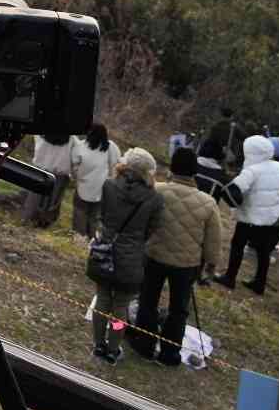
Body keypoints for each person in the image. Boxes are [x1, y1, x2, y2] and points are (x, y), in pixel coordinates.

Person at [129, 147, 223, 366]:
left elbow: (141, 221)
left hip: (154, 255)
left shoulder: (157, 190)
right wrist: (210, 265)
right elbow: (213, 240)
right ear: (194, 172)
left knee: (147, 301)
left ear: (172, 166)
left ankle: (145, 345)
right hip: (187, 263)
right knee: (179, 310)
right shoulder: (208, 202)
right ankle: (170, 354)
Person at [88, 147, 163, 365]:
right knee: (120, 308)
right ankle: (113, 347)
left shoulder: (109, 185)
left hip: (105, 251)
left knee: (102, 299)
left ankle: (98, 343)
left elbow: (100, 215)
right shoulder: (154, 198)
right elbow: (152, 228)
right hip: (131, 258)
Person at [217, 134, 279, 294]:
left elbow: (234, 190)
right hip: (271, 219)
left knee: (238, 246)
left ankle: (230, 277)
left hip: (248, 217)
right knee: (264, 252)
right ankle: (259, 283)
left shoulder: (251, 171)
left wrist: (235, 205)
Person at [69, 123, 118, 236]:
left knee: (80, 212)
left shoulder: (80, 146)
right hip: (102, 188)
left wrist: (77, 178)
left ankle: (78, 238)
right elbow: (114, 165)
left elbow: (74, 166)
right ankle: (91, 238)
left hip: (83, 186)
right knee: (95, 216)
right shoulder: (110, 147)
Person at [22, 132, 73, 227]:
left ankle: (28, 220)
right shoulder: (72, 140)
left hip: (40, 171)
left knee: (34, 198)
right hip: (60, 175)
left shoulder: (41, 135)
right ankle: (45, 222)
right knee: (52, 200)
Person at [195, 107, 237, 196]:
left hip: (212, 151)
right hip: (221, 152)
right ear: (231, 116)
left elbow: (210, 138)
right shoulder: (234, 127)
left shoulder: (215, 126)